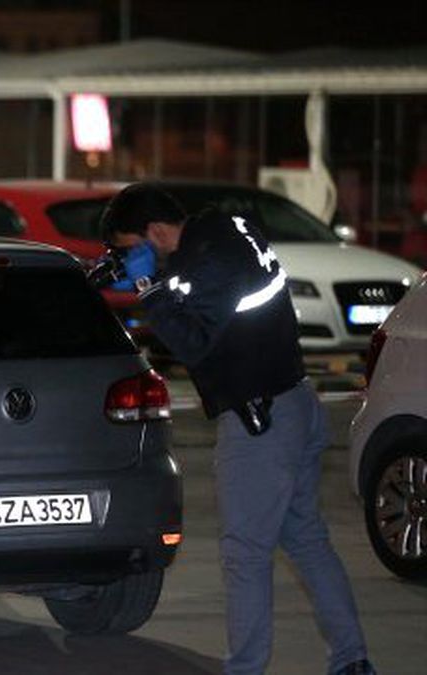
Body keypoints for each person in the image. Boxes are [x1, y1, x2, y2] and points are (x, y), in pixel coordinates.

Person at [99, 183, 374, 675]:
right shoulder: (229, 231)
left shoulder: (211, 262)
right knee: (307, 540)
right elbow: (205, 293)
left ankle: (246, 668)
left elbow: (193, 343)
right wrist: (158, 275)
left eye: (129, 246)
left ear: (155, 231)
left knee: (245, 554)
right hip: (295, 404)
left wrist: (148, 290)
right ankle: (351, 659)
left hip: (261, 420)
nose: (130, 258)